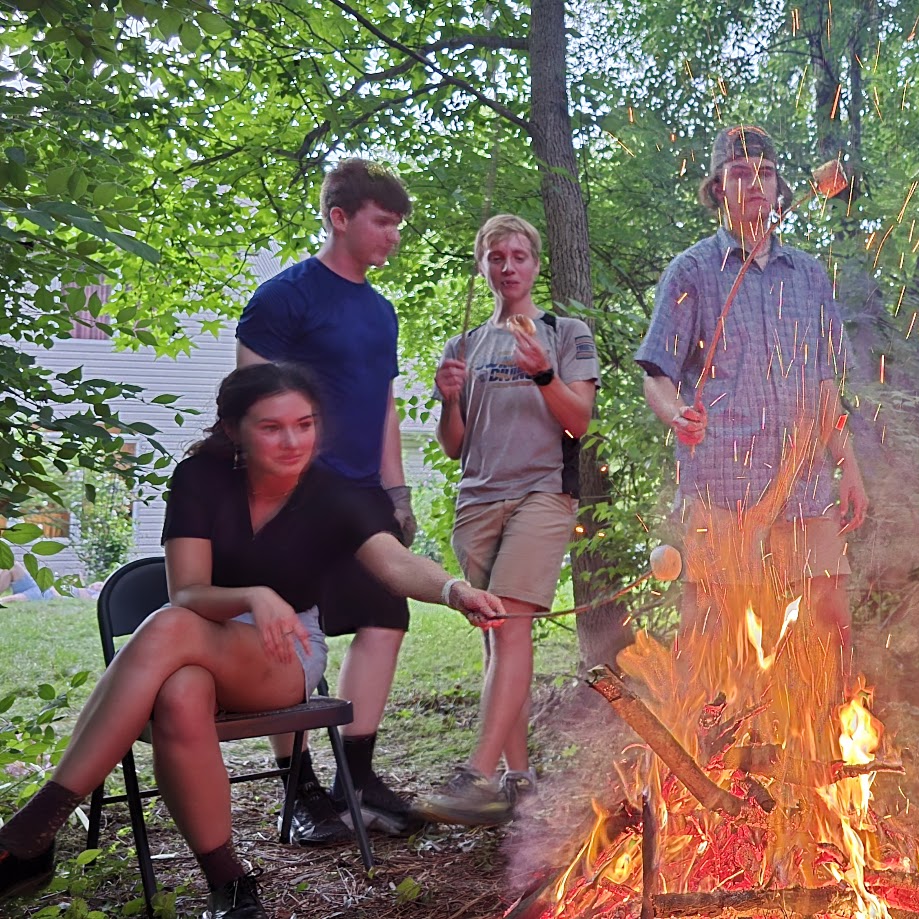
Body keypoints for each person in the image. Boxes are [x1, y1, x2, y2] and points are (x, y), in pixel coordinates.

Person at [0, 364, 503, 919]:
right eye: (271, 427)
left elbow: (392, 560)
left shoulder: (332, 492)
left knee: (166, 627)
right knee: (179, 691)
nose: (292, 441)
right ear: (234, 429)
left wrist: (454, 589)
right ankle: (231, 885)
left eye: (304, 424)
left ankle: (34, 829)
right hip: (198, 638)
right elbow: (188, 593)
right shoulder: (200, 478)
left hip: (285, 652)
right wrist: (251, 596)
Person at [633, 124, 868, 692]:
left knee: (829, 619)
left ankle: (824, 750)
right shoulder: (690, 272)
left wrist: (850, 465)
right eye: (739, 173)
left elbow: (821, 382)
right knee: (716, 630)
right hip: (722, 482)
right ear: (718, 189)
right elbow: (656, 375)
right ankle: (707, 753)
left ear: (780, 187)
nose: (754, 182)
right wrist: (674, 413)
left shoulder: (809, 276)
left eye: (764, 172)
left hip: (806, 481)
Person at [235, 159, 422, 843]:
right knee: (292, 644)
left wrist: (395, 490)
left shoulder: (380, 310)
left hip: (362, 500)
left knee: (385, 617)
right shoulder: (285, 298)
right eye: (382, 221)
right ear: (339, 217)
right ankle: (299, 794)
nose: (392, 235)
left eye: (398, 225)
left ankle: (356, 773)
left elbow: (384, 406)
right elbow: (246, 400)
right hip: (292, 502)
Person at [415, 215, 599, 826]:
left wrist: (542, 370)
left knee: (512, 624)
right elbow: (452, 445)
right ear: (484, 265)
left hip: (543, 493)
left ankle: (477, 776)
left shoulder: (565, 333)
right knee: (499, 637)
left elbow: (579, 421)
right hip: (478, 500)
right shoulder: (465, 345)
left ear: (536, 264)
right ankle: (519, 781)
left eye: (519, 255)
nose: (509, 266)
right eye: (497, 257)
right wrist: (447, 401)